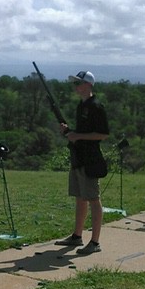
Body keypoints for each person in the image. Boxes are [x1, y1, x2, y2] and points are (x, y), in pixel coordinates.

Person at [54, 71, 109, 255]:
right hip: (78, 157)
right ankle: (77, 236)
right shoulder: (81, 105)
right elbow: (82, 132)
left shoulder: (96, 106)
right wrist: (69, 131)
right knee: (80, 197)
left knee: (93, 199)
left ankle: (95, 242)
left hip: (90, 159)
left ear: (88, 85)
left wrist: (77, 136)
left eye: (78, 83)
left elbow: (102, 134)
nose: (76, 87)